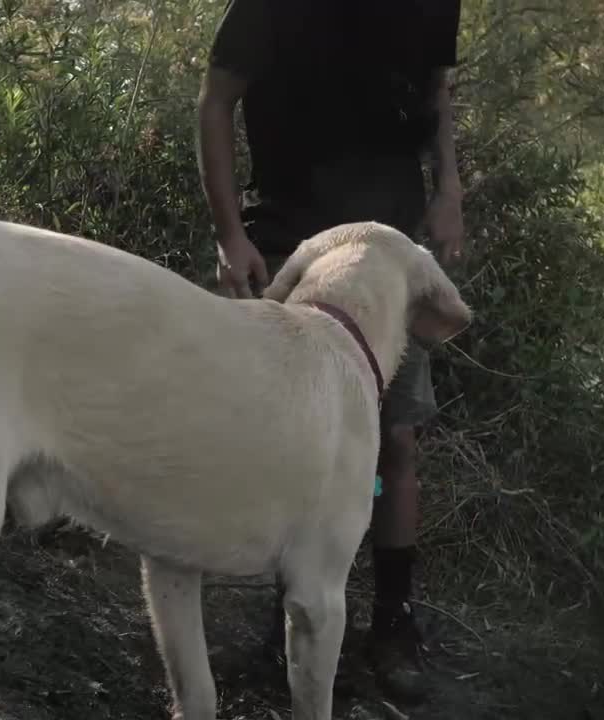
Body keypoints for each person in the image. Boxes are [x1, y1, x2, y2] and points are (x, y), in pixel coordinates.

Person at [196, 0, 465, 699]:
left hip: (387, 254)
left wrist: (450, 191)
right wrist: (231, 237)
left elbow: (437, 91)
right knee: (289, 438)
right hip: (288, 239)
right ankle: (285, 612)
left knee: (394, 441)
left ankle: (393, 621)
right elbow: (216, 101)